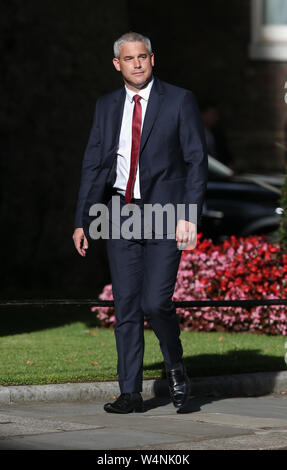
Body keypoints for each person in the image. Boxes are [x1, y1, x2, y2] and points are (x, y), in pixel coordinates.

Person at [73, 32, 208, 413]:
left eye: (143, 57)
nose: (137, 63)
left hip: (166, 214)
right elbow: (94, 164)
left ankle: (176, 367)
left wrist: (189, 216)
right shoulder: (106, 106)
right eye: (129, 58)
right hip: (120, 213)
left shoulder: (179, 100)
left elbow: (197, 161)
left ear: (152, 59)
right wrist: (83, 219)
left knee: (156, 301)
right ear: (117, 64)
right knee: (127, 305)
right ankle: (130, 391)